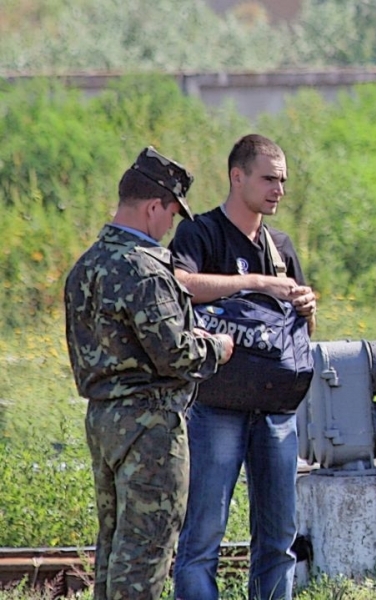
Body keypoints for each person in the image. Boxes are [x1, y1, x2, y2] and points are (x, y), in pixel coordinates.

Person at [64, 147, 234, 600]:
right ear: (154, 206)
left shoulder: (86, 266)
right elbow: (176, 355)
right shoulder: (144, 269)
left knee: (116, 546)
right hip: (150, 425)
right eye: (172, 215)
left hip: (104, 419)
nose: (171, 227)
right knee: (147, 552)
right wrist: (216, 345)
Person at [170, 134, 317, 600]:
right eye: (269, 179)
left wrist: (306, 305)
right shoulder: (201, 232)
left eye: (284, 181)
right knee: (203, 537)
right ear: (238, 177)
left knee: (278, 540)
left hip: (274, 409)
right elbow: (179, 285)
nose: (279, 190)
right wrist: (253, 282)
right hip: (216, 406)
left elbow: (295, 329)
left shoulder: (281, 244)